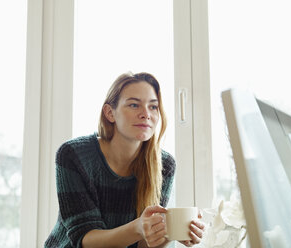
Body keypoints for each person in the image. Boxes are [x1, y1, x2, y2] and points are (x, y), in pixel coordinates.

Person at [45, 72, 204, 248]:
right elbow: (85, 240)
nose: (146, 114)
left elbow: (145, 245)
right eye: (134, 105)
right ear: (110, 113)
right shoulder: (73, 155)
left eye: (153, 107)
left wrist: (169, 233)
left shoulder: (164, 165)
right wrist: (137, 228)